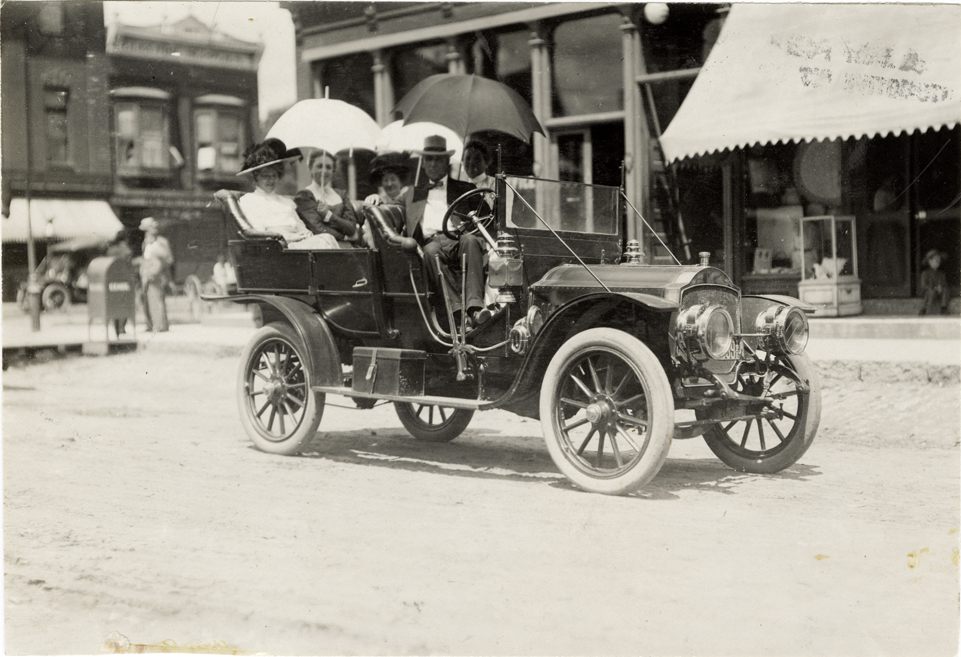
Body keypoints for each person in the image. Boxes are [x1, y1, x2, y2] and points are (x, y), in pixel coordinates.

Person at [399, 135, 491, 329]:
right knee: (430, 251)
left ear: (447, 162)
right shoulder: (411, 194)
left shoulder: (465, 188)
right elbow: (390, 205)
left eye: (438, 159)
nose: (433, 164)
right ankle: (458, 314)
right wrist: (374, 198)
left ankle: (475, 309)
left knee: (470, 240)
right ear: (423, 163)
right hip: (431, 242)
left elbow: (487, 218)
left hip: (458, 238)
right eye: (429, 159)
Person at [237, 139, 340, 250]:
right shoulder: (249, 201)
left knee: (326, 238)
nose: (271, 180)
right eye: (265, 176)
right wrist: (290, 238)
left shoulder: (286, 202)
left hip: (297, 243)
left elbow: (302, 228)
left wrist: (306, 233)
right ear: (256, 177)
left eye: (274, 175)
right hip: (276, 248)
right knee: (323, 242)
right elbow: (259, 234)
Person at [294, 149, 364, 248]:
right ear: (310, 168)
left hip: (349, 247)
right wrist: (345, 237)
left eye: (328, 167)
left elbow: (352, 228)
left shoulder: (341, 194)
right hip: (325, 248)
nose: (324, 171)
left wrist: (329, 216)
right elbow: (318, 229)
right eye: (319, 166)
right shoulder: (304, 196)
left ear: (333, 170)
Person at [139, 217, 174, 332]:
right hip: (146, 274)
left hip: (158, 275)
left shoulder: (161, 242)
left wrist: (158, 269)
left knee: (156, 300)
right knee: (147, 300)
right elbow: (145, 258)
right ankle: (150, 325)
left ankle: (160, 325)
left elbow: (169, 259)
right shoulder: (145, 243)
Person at [106, 229, 134, 336]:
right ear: (126, 239)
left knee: (114, 303)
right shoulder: (126, 250)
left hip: (112, 280)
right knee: (124, 303)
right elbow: (129, 265)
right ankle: (122, 328)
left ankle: (116, 328)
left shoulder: (110, 250)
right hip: (124, 280)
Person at [919, 249, 949, 315]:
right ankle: (925, 308)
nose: (938, 262)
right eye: (936, 260)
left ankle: (943, 307)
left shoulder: (941, 274)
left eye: (939, 261)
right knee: (930, 292)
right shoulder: (925, 273)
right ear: (930, 261)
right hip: (929, 292)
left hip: (940, 292)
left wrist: (941, 287)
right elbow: (924, 286)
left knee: (945, 290)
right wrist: (934, 288)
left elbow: (944, 284)